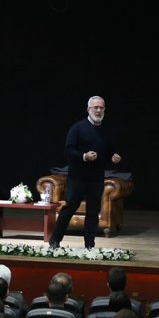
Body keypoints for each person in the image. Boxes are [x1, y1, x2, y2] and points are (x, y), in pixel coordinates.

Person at [49, 95, 123, 250]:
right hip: (77, 177)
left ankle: (89, 245)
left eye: (101, 108)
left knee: (93, 212)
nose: (98, 110)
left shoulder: (106, 131)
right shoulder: (78, 128)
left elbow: (109, 152)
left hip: (96, 178)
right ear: (88, 109)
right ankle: (54, 241)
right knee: (69, 208)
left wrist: (113, 157)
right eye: (95, 107)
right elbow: (68, 150)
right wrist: (84, 156)